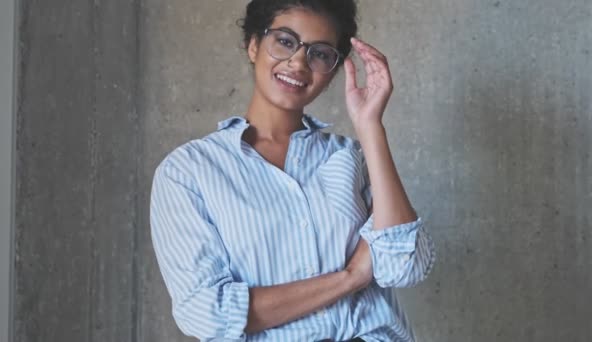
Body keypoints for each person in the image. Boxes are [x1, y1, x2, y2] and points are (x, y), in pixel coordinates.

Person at [149, 0, 436, 341]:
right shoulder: (189, 172)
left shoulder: (353, 158)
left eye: (319, 53)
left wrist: (370, 125)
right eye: (285, 41)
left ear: (332, 69)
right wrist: (350, 277)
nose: (298, 62)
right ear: (253, 45)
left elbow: (406, 266)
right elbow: (207, 312)